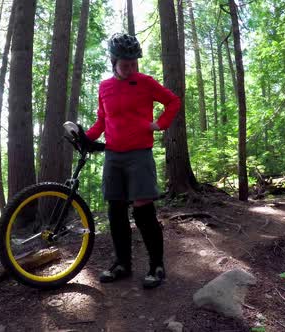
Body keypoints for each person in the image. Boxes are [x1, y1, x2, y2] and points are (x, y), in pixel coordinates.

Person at [84, 33, 180, 289]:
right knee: (116, 211)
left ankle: (156, 265)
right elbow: (102, 121)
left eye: (134, 64)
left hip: (139, 154)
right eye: (125, 65)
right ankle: (122, 264)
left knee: (143, 211)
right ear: (114, 62)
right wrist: (86, 137)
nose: (131, 69)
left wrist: (160, 124)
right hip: (113, 155)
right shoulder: (104, 87)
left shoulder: (146, 82)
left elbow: (173, 101)